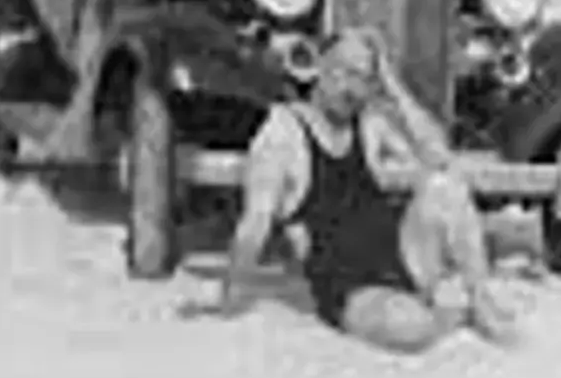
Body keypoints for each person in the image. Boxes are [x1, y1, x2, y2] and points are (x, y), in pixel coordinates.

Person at [215, 28, 521, 352]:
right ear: (319, 65)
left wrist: (394, 87)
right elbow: (255, 220)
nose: (352, 88)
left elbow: (439, 157)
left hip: (405, 254)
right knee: (413, 330)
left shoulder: (370, 123)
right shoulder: (283, 131)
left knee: (445, 187)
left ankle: (481, 301)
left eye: (363, 78)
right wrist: (231, 296)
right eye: (344, 71)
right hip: (351, 288)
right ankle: (446, 316)